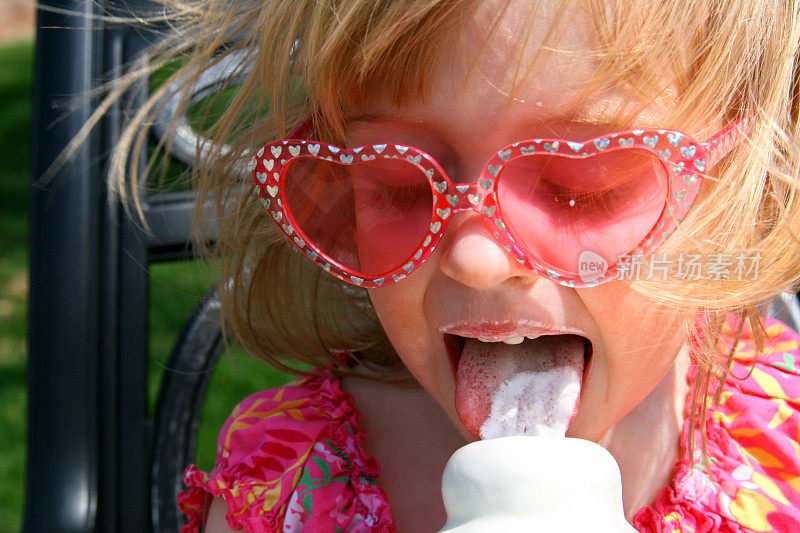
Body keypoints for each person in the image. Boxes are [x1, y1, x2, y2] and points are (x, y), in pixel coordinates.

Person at [110, 0, 800, 530]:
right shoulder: (298, 488)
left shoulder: (782, 433)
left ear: (740, 177)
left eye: (578, 181)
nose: (476, 255)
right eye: (399, 182)